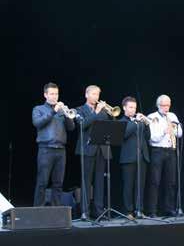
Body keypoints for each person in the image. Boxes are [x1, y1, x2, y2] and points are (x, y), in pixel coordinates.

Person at [32, 82, 75, 206]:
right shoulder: (38, 109)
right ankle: (37, 211)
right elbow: (38, 123)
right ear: (45, 95)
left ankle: (56, 212)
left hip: (61, 150)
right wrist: (53, 111)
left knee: (58, 183)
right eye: (51, 94)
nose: (54, 96)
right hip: (46, 149)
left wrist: (67, 115)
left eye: (56, 94)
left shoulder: (62, 111)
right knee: (42, 182)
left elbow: (71, 127)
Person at [75, 85, 111, 219]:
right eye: (93, 94)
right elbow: (82, 125)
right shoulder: (79, 110)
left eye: (97, 95)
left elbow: (110, 126)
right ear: (86, 94)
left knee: (100, 181)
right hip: (87, 149)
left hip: (102, 149)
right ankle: (85, 212)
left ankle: (99, 211)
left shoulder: (102, 111)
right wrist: (96, 112)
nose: (96, 97)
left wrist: (106, 112)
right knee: (86, 181)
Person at [147, 94, 183, 217]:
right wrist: (164, 131)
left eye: (168, 105)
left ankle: (169, 208)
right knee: (155, 181)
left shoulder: (172, 116)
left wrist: (174, 130)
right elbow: (152, 138)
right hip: (157, 151)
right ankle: (152, 210)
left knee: (171, 181)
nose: (166, 108)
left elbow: (180, 133)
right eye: (163, 105)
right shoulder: (152, 117)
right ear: (158, 105)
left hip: (171, 150)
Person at [119, 96, 151, 219]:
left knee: (140, 185)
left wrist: (147, 124)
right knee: (128, 185)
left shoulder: (140, 122)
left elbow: (148, 137)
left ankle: (139, 210)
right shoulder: (122, 121)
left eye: (135, 108)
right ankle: (128, 211)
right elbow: (124, 135)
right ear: (124, 108)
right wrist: (135, 122)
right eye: (131, 107)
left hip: (142, 157)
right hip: (128, 158)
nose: (133, 110)